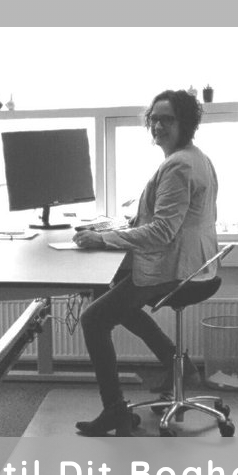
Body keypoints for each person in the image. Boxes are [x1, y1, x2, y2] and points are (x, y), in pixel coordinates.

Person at [71, 89, 219, 436]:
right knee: (108, 295)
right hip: (197, 264)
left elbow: (163, 231)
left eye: (167, 119)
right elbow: (175, 219)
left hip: (178, 270)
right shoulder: (196, 157)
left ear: (185, 123)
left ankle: (114, 411)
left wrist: (104, 238)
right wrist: (130, 224)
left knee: (93, 319)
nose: (158, 126)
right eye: (154, 119)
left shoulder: (179, 165)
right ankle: (178, 365)